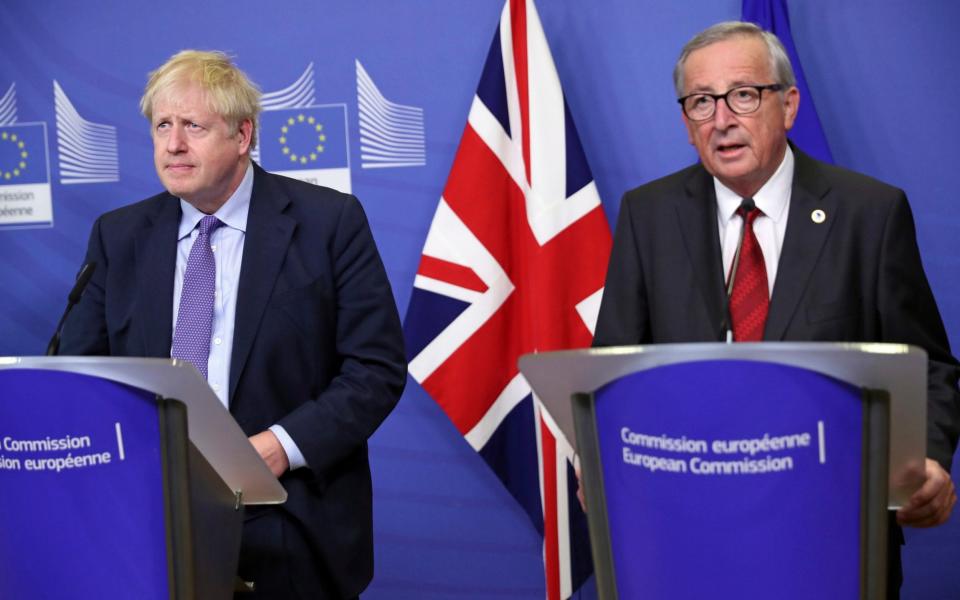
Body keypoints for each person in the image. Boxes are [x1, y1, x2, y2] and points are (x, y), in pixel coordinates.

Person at [593, 21, 959, 596]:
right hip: (687, 541)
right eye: (700, 103)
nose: (721, 120)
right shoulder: (648, 216)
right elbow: (611, 372)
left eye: (743, 94)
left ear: (787, 106)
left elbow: (929, 365)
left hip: (834, 538)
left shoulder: (870, 213)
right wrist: (601, 455)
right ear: (686, 123)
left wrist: (930, 459)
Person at [60, 50, 407, 599]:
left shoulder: (328, 223)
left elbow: (375, 369)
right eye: (162, 126)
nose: (173, 145)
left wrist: (274, 449)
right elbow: (76, 374)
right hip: (146, 522)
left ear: (243, 136)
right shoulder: (119, 236)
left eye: (193, 127)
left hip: (287, 516)